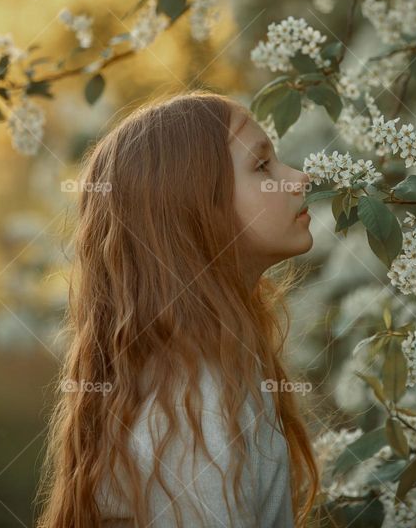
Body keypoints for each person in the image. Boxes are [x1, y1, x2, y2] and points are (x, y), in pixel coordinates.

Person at [35, 90, 320, 528]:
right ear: (193, 208)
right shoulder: (193, 410)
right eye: (262, 166)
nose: (300, 178)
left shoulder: (213, 378)